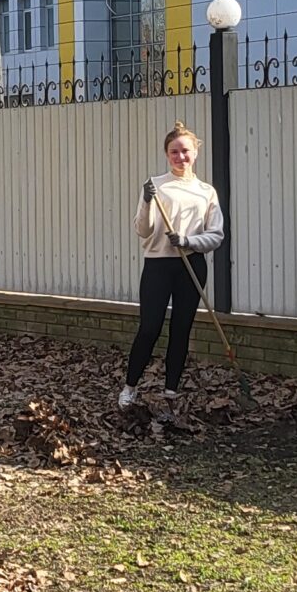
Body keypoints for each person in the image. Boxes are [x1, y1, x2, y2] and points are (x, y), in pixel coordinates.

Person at [119, 121, 225, 408]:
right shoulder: (156, 186)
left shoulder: (206, 191)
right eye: (174, 152)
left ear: (195, 152)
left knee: (181, 329)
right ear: (167, 154)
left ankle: (170, 391)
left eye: (185, 151)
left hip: (191, 265)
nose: (180, 157)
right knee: (149, 328)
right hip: (158, 266)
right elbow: (142, 229)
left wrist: (188, 241)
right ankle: (130, 387)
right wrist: (146, 202)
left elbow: (216, 235)